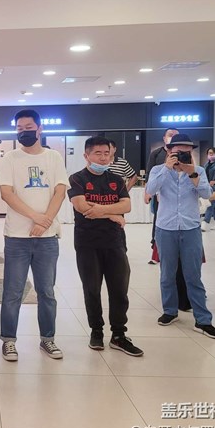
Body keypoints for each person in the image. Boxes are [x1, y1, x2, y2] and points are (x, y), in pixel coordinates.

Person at [0, 109, 68, 361]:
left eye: (28, 127)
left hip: (47, 239)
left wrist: (45, 221)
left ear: (39, 128)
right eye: (19, 129)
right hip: (17, 237)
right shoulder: (11, 158)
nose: (23, 132)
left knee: (46, 291)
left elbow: (60, 191)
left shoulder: (53, 157)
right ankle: (8, 341)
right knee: (12, 292)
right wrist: (36, 217)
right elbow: (7, 193)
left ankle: (48, 339)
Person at [68, 137, 143, 356]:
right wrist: (113, 213)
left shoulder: (116, 180)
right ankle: (96, 331)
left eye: (107, 154)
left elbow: (126, 206)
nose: (103, 158)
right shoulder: (77, 178)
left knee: (119, 290)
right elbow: (82, 206)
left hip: (115, 242)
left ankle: (119, 335)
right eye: (98, 153)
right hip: (87, 243)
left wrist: (102, 211)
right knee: (92, 289)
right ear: (87, 156)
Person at [146, 133, 215, 339]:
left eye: (187, 152)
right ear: (169, 151)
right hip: (166, 228)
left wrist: (192, 173)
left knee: (193, 275)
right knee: (167, 274)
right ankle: (170, 311)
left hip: (190, 228)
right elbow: (150, 190)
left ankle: (203, 320)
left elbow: (207, 194)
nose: (182, 155)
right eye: (178, 152)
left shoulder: (199, 171)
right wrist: (167, 168)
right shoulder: (158, 170)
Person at [145, 128, 179, 263]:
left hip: (178, 195)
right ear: (164, 138)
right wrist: (148, 192)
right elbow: (149, 173)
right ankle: (156, 252)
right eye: (170, 135)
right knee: (158, 221)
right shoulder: (156, 154)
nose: (173, 137)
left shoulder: (184, 154)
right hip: (160, 193)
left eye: (176, 135)